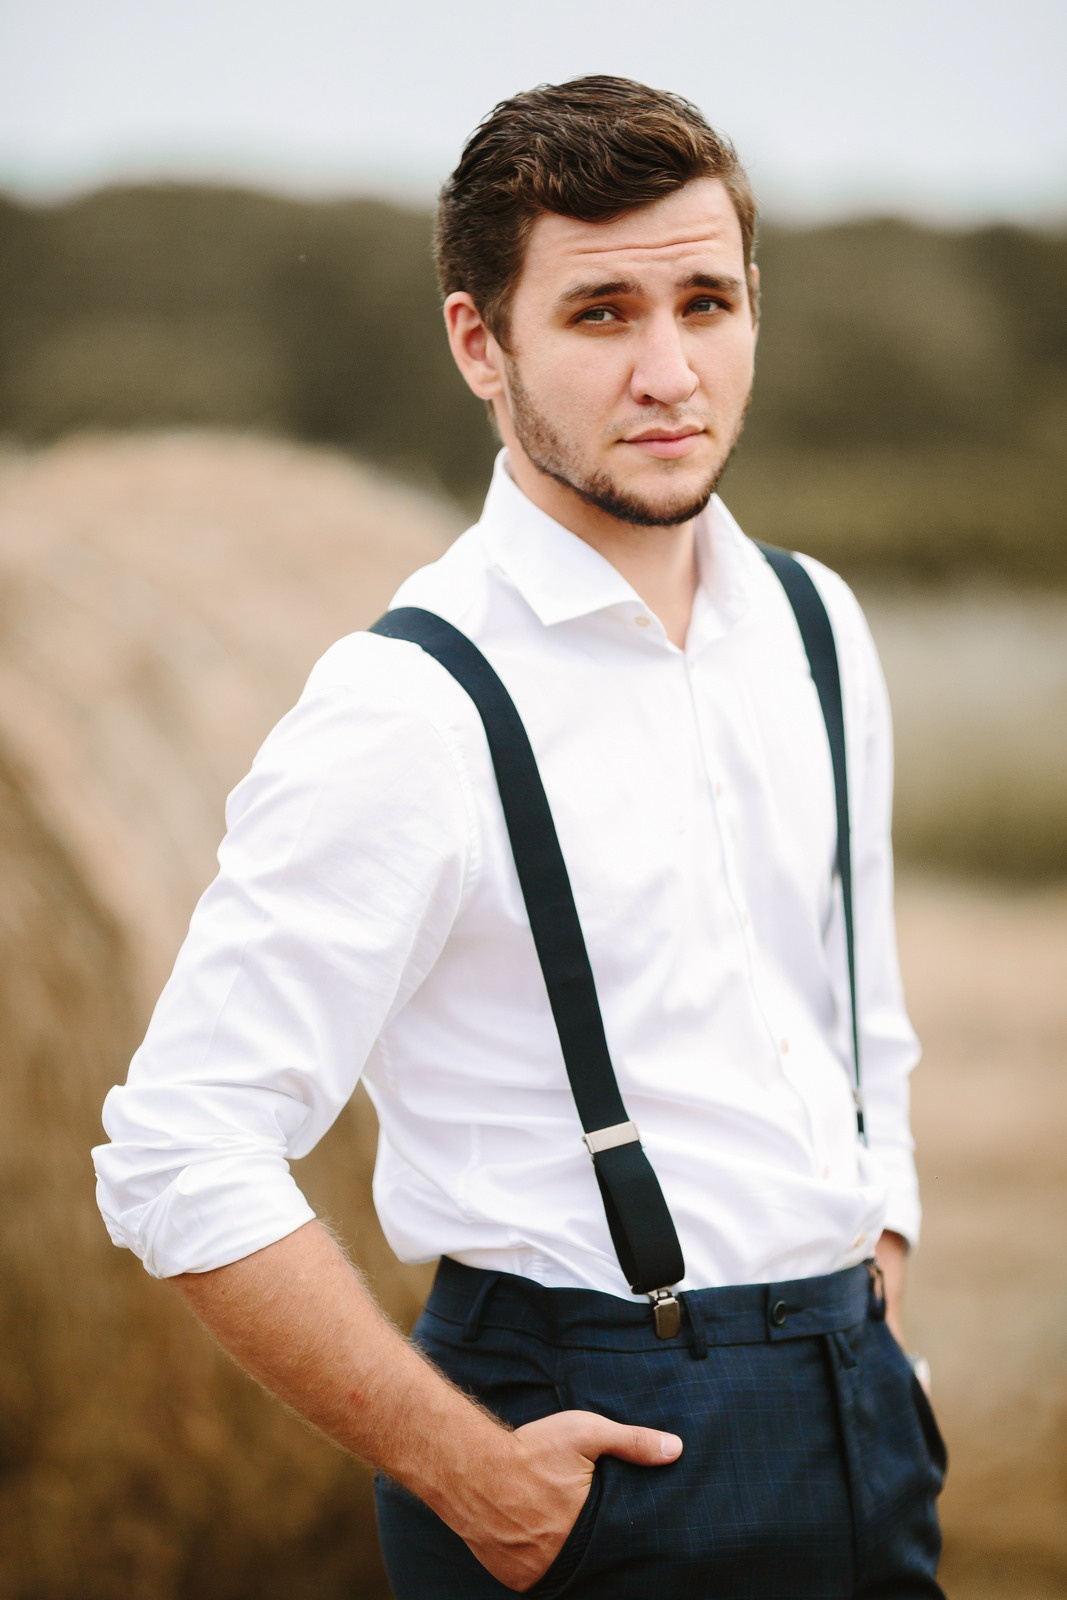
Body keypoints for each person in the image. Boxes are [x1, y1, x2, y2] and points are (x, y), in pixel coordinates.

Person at [93, 75, 945, 1598]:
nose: (670, 372)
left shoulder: (818, 627)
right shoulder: (409, 708)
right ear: (480, 343)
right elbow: (180, 1145)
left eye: (705, 302)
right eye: (601, 314)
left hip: (862, 1412)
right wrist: (469, 1471)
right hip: (584, 1442)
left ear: (755, 305)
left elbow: (853, 1004)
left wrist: (878, 1241)